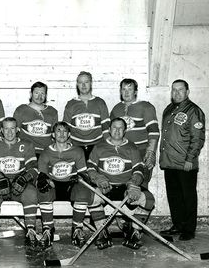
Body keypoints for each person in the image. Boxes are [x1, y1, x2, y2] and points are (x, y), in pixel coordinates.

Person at [85, 118, 155, 250]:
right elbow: (90, 168)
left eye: (120, 128)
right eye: (114, 128)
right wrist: (98, 178)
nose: (117, 131)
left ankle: (134, 232)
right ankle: (101, 232)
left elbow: (139, 169)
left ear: (125, 130)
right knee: (91, 197)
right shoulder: (99, 147)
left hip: (125, 187)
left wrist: (133, 184)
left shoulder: (132, 147)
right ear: (109, 130)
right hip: (106, 187)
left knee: (148, 199)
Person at [159, 80, 205, 241]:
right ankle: (178, 225)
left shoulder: (193, 111)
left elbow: (198, 138)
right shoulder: (169, 109)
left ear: (187, 92)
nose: (177, 93)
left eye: (180, 90)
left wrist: (190, 159)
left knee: (188, 197)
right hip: (169, 162)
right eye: (174, 90)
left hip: (185, 163)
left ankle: (189, 229)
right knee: (174, 196)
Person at [0, 117, 39, 246]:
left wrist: (24, 178)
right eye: (6, 129)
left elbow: (34, 168)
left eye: (12, 129)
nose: (9, 132)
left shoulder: (27, 145)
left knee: (31, 192)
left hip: (18, 184)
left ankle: (30, 228)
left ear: (17, 130)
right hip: (0, 184)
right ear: (1, 130)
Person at [36, 122, 89, 247]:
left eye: (64, 131)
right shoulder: (46, 152)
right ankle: (48, 229)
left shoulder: (77, 151)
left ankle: (77, 228)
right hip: (54, 184)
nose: (61, 134)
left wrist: (80, 177)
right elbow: (42, 174)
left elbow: (84, 173)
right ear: (53, 135)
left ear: (69, 134)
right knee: (43, 190)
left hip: (70, 184)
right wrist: (44, 179)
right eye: (58, 131)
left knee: (83, 191)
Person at [110, 78, 160, 188]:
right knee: (124, 186)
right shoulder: (116, 108)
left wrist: (151, 152)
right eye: (123, 89)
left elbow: (154, 132)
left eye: (130, 89)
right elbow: (111, 133)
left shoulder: (146, 107)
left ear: (136, 92)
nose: (126, 92)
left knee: (140, 185)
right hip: (122, 152)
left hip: (141, 151)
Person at [63, 71, 110, 159]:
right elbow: (66, 128)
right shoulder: (71, 104)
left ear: (91, 83)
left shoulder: (100, 102)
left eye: (86, 82)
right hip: (76, 147)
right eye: (81, 83)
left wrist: (107, 146)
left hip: (96, 146)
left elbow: (106, 127)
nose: (83, 85)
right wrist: (68, 147)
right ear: (77, 85)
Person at [13, 81, 58, 157]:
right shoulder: (21, 110)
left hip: (46, 153)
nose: (39, 96)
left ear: (46, 95)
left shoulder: (53, 112)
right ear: (31, 94)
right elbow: (14, 133)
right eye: (36, 93)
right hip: (26, 152)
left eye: (42, 93)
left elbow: (55, 136)